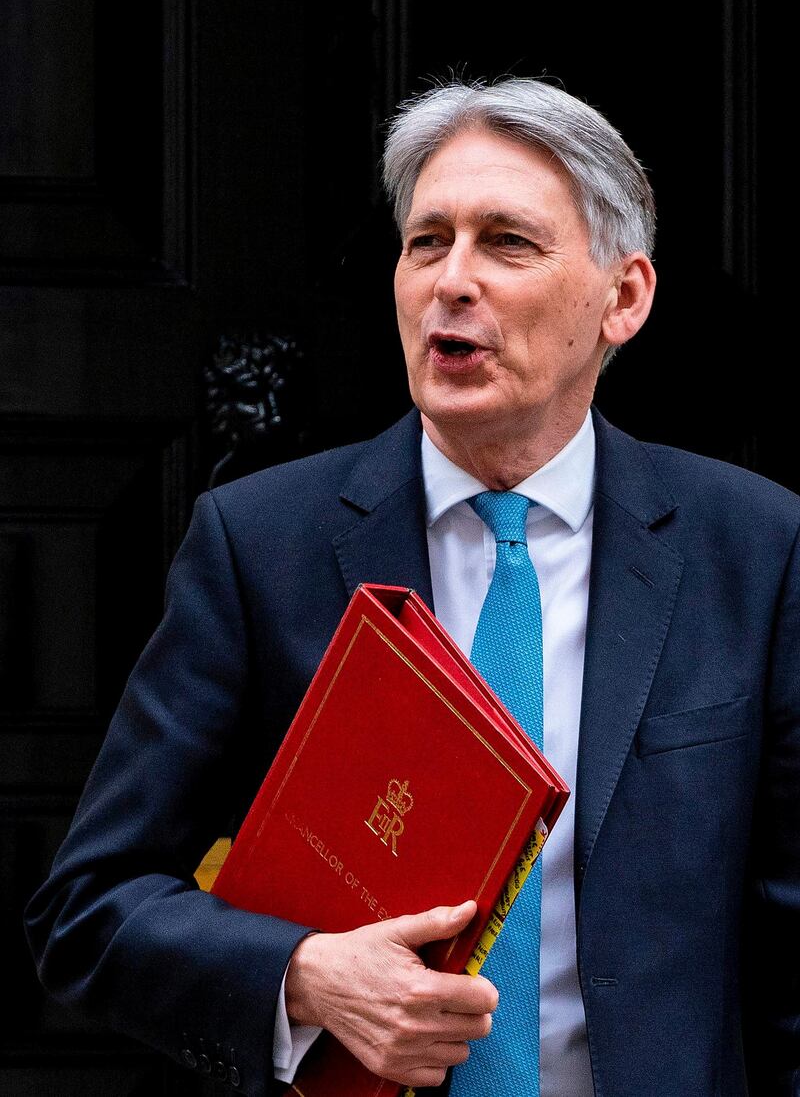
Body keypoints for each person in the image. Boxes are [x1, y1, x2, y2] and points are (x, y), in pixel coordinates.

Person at [25, 78, 799, 1097]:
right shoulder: (262, 545)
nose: (450, 280)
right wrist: (299, 978)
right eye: (426, 240)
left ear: (623, 298)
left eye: (506, 243)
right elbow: (91, 907)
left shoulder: (750, 545)